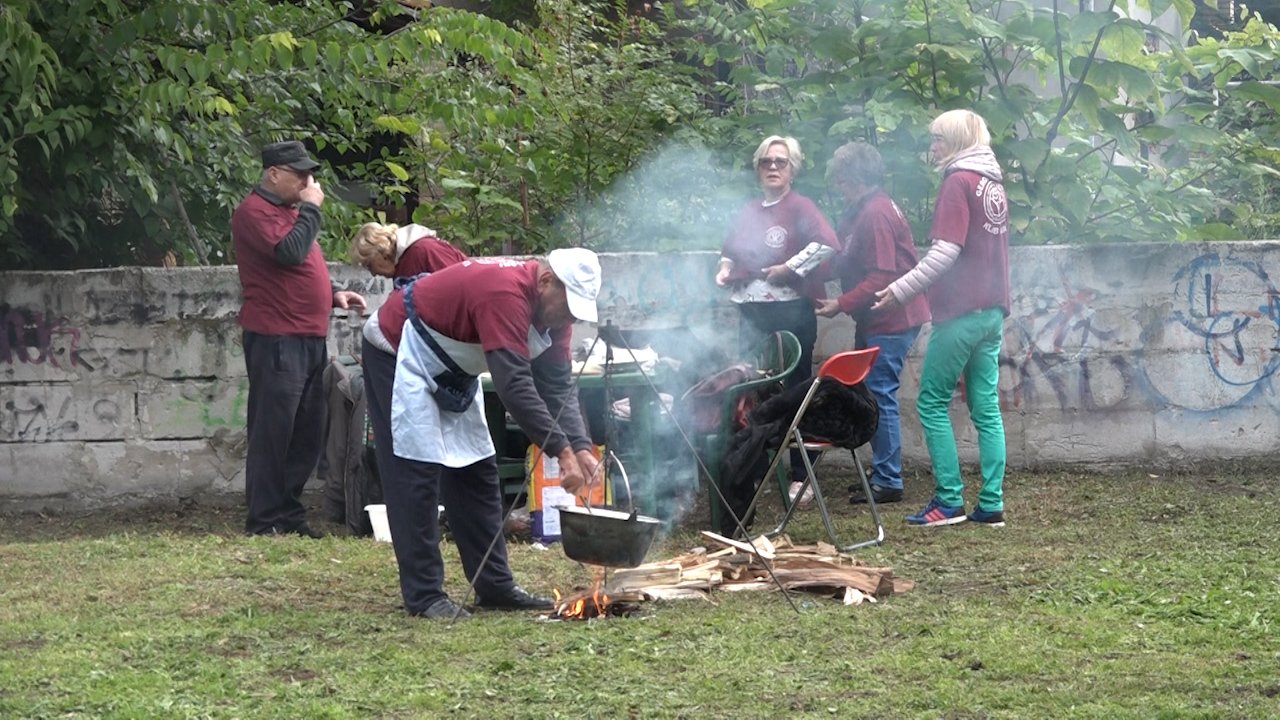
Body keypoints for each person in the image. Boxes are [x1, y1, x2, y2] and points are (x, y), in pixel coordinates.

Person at [361, 249, 603, 619]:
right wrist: (561, 451)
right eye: (568, 307)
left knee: (476, 471)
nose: (568, 318)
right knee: (416, 474)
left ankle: (494, 585)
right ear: (546, 281)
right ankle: (424, 595)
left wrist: (582, 447)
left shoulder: (557, 315)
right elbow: (515, 385)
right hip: (399, 348)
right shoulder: (503, 292)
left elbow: (555, 386)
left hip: (452, 365)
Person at [872, 109, 1010, 528]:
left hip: (962, 312)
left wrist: (899, 290)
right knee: (986, 408)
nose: (932, 148)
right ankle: (991, 504)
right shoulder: (992, 182)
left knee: (931, 402)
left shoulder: (957, 182)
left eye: (938, 139)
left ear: (956, 142)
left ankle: (949, 501)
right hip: (992, 311)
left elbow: (946, 252)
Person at [232, 139, 367, 538]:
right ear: (274, 174)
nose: (309, 183)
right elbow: (289, 254)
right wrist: (311, 208)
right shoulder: (253, 213)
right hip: (276, 337)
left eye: (311, 175)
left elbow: (302, 265)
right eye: (301, 175)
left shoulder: (290, 213)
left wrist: (334, 292)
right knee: (274, 431)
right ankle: (264, 518)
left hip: (308, 335)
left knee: (308, 431)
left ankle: (287, 513)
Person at [715, 135, 838, 507]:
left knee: (796, 393)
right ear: (757, 168)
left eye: (780, 162)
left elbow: (827, 243)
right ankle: (751, 469)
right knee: (749, 390)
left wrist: (790, 268)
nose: (772, 167)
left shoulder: (801, 206)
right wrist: (723, 269)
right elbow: (729, 250)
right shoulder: (749, 209)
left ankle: (802, 475)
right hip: (750, 313)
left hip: (790, 312)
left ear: (792, 169)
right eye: (766, 161)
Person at [817, 141, 931, 505]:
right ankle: (882, 470)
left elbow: (883, 275)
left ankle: (888, 480)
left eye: (841, 179)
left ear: (855, 178)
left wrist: (842, 303)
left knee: (879, 394)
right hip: (876, 318)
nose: (838, 186)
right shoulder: (861, 210)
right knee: (869, 393)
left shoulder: (877, 212)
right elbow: (844, 257)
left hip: (892, 319)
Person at [350, 221, 468, 279]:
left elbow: (461, 286)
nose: (373, 273)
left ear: (381, 253)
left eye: (369, 265)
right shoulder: (403, 263)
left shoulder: (424, 250)